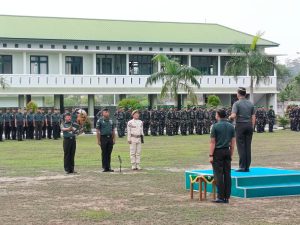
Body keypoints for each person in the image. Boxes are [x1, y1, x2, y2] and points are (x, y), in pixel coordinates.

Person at [209, 109, 235, 204]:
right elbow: (233, 143)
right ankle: (227, 197)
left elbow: (212, 142)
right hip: (227, 151)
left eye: (216, 114)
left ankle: (220, 197)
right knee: (227, 174)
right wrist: (231, 154)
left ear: (218, 115)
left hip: (218, 152)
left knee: (218, 175)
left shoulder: (215, 127)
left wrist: (211, 155)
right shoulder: (231, 126)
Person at [229, 87, 255, 172]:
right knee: (248, 146)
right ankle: (247, 166)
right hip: (249, 125)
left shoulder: (236, 104)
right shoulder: (251, 104)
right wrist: (252, 126)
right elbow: (253, 117)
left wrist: (229, 117)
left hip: (240, 125)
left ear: (238, 94)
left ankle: (242, 166)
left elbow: (233, 115)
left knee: (241, 146)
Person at [96, 108, 116, 172]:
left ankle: (109, 167)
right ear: (102, 113)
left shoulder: (111, 120)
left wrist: (114, 139)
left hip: (110, 138)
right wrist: (98, 140)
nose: (106, 113)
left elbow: (113, 130)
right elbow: (98, 131)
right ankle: (105, 167)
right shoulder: (100, 121)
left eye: (107, 112)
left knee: (109, 153)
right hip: (103, 138)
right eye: (105, 112)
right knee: (104, 152)